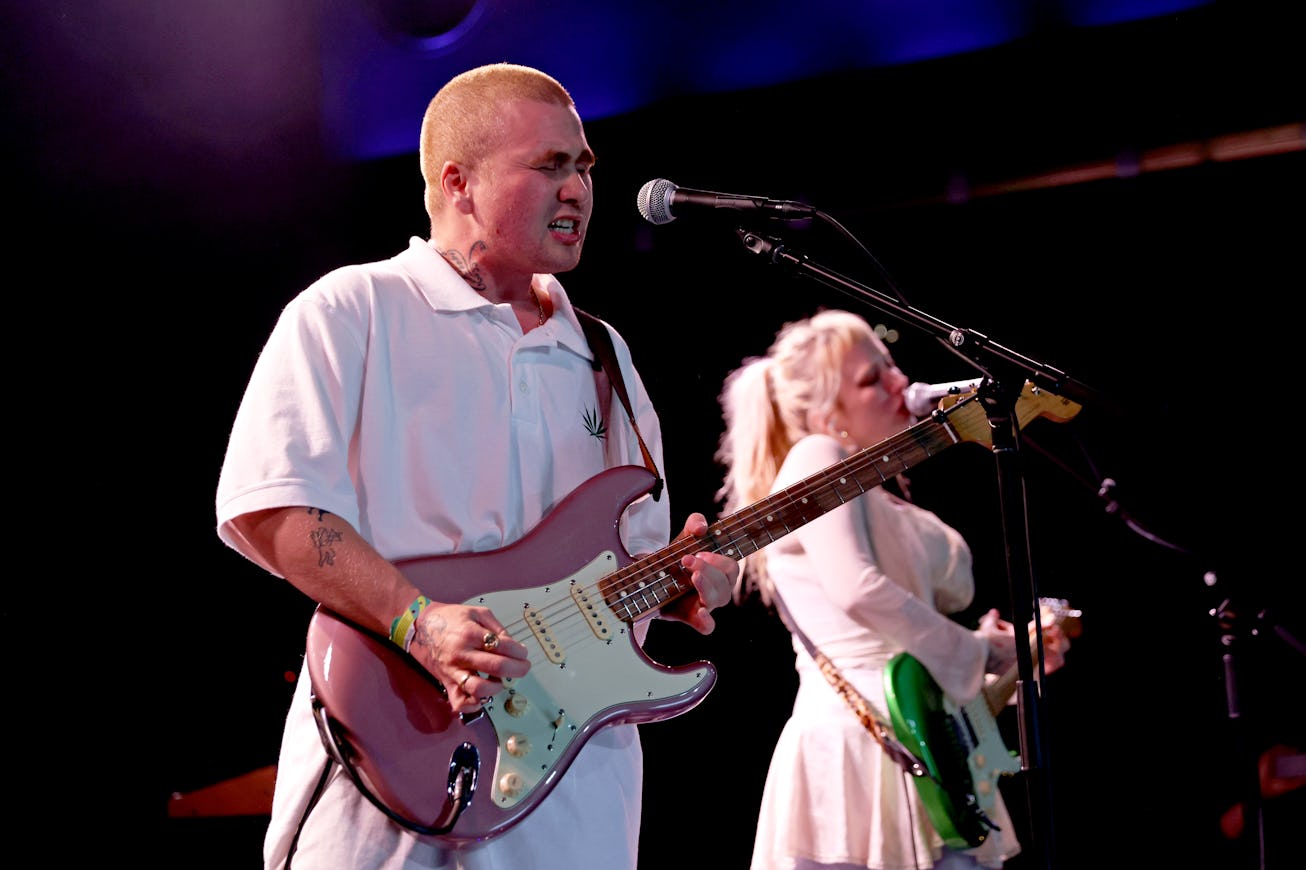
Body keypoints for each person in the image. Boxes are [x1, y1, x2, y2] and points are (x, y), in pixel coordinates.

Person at [215, 62, 738, 870]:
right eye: (550, 165)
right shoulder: (352, 309)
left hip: (573, 786)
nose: (579, 190)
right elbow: (277, 508)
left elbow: (626, 556)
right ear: (459, 182)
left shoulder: (603, 353)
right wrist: (419, 624)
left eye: (585, 167)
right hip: (392, 757)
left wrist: (680, 584)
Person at [714, 309, 1072, 870]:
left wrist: (999, 653)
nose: (898, 383)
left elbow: (905, 628)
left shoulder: (881, 492)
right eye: (870, 379)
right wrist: (976, 652)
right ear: (827, 413)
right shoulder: (817, 456)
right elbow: (857, 589)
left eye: (891, 366)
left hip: (921, 735)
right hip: (863, 744)